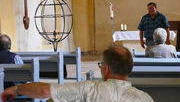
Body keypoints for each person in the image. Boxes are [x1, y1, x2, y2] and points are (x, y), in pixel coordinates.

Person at [1, 45, 154, 102]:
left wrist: (16, 89)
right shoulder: (146, 98)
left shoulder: (88, 88)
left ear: (106, 69)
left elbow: (44, 90)